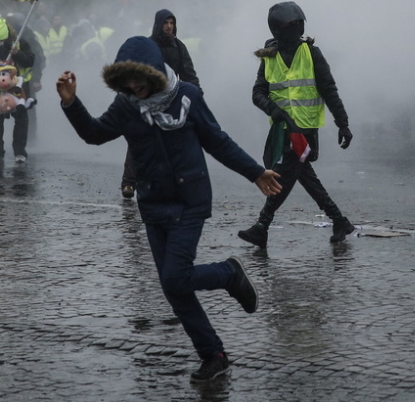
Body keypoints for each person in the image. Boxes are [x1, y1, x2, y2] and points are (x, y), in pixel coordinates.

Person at [56, 36, 282, 382]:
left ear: (155, 73)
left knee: (175, 277)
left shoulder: (187, 97)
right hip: (153, 205)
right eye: (127, 81)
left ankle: (229, 273)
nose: (135, 86)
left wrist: (255, 172)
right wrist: (71, 103)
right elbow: (94, 133)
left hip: (189, 202)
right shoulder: (126, 106)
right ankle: (214, 355)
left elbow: (217, 141)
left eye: (140, 79)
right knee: (174, 287)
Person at [237, 1, 355, 249]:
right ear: (278, 29)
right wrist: (273, 110)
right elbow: (258, 93)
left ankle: (262, 225)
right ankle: (339, 221)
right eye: (291, 25)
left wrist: (342, 123)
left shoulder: (312, 54)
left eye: (299, 25)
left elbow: (329, 90)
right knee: (300, 174)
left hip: (305, 129)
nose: (297, 30)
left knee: (285, 174)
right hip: (283, 130)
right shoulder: (269, 57)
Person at [121, 9, 201, 199]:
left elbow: (189, 75)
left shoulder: (179, 47)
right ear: (158, 24)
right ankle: (129, 182)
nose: (169, 26)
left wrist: (196, 96)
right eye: (166, 23)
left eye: (172, 23)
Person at [0, 14, 35, 163]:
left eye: (1, 41)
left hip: (18, 88)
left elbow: (30, 61)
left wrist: (18, 54)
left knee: (21, 120)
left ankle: (20, 152)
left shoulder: (20, 43)